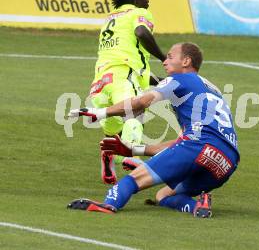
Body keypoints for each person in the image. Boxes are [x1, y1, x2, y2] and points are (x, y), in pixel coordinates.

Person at [68, 43, 239, 218]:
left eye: (171, 57)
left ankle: (109, 204)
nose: (165, 61)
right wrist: (133, 150)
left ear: (186, 61)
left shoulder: (180, 79)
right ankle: (198, 207)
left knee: (133, 180)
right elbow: (179, 143)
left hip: (198, 146)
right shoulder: (214, 92)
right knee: (162, 195)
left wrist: (99, 112)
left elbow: (140, 103)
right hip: (226, 161)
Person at [89, 0, 166, 184]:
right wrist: (164, 58)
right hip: (124, 75)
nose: (148, 1)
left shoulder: (110, 18)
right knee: (135, 111)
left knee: (113, 126)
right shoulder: (138, 13)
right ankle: (132, 156)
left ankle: (108, 152)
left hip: (101, 80)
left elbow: (122, 54)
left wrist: (154, 79)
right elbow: (141, 33)